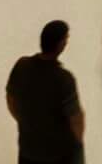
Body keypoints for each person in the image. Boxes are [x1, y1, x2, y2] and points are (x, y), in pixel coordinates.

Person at [7, 19, 86, 164]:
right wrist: (78, 145)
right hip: (58, 155)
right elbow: (76, 119)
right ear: (61, 45)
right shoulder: (64, 79)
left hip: (27, 151)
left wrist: (27, 123)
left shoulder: (21, 66)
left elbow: (10, 100)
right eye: (66, 39)